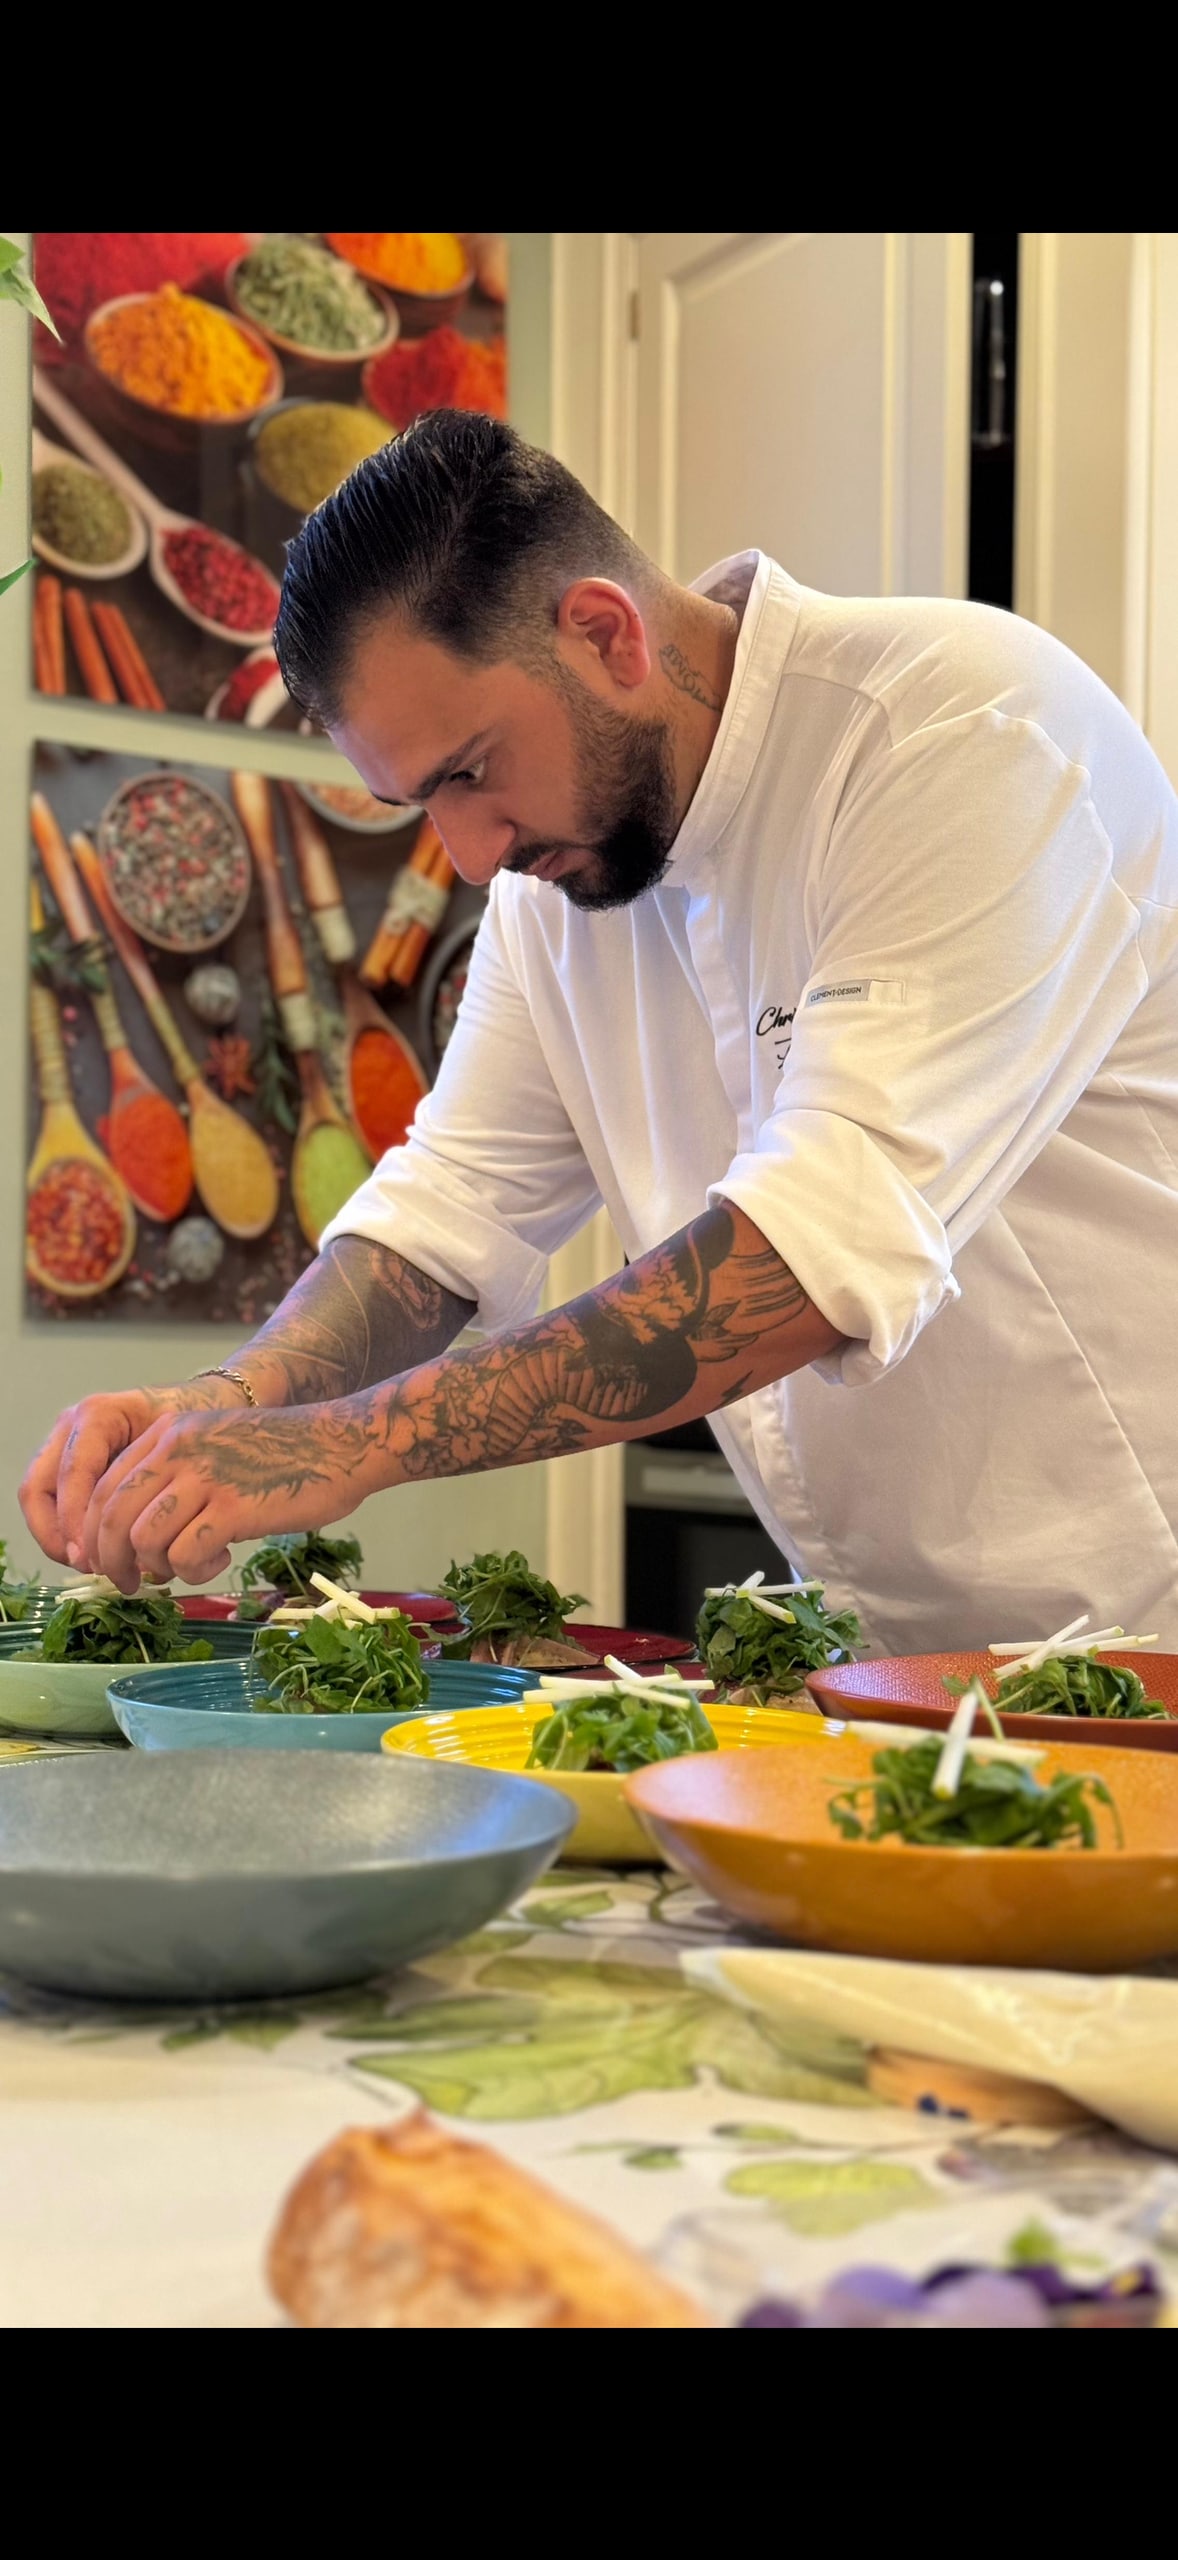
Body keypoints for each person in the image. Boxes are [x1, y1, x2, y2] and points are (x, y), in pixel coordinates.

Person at [21, 412, 1178, 1652]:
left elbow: (807, 1257)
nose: (470, 858)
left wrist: (344, 1445)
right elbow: (448, 1213)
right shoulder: (553, 890)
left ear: (603, 632)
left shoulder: (965, 732)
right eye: (418, 803)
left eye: (468, 771)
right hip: (892, 1662)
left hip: (1145, 1627)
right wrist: (226, 1405)